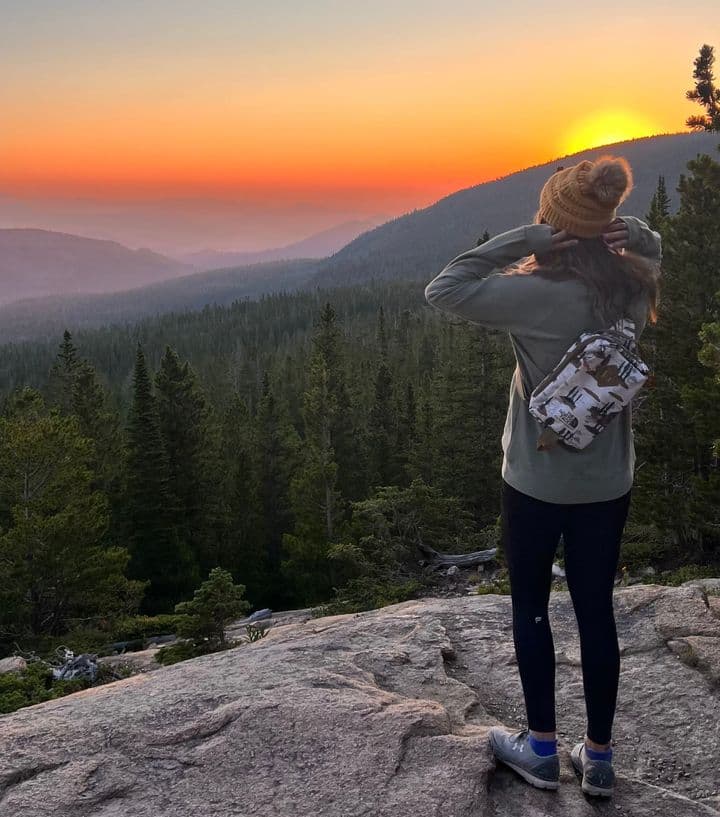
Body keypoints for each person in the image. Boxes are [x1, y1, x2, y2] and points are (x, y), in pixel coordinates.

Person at [423, 155, 661, 798]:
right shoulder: (635, 288)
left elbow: (443, 287)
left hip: (533, 480)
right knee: (596, 613)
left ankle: (543, 750)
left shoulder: (531, 294)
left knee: (531, 609)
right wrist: (630, 235)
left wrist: (522, 241)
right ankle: (601, 760)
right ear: (606, 227)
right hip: (608, 483)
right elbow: (654, 246)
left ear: (554, 227)